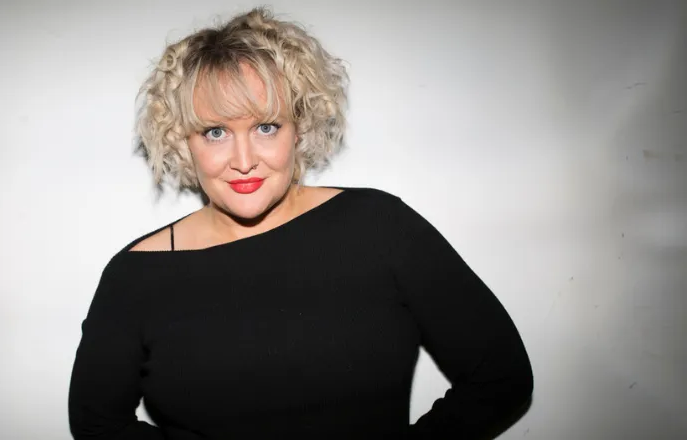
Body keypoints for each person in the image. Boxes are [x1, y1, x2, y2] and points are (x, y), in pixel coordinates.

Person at [68, 7, 533, 439]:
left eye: (266, 127)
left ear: (300, 127)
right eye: (215, 132)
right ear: (183, 141)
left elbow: (501, 377)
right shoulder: (135, 277)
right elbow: (96, 422)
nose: (244, 160)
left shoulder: (379, 228)